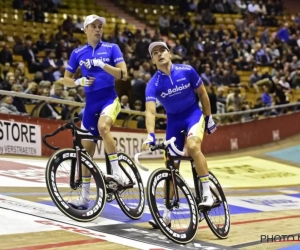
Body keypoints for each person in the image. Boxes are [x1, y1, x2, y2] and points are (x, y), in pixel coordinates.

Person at [142, 41, 216, 227]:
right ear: (152, 60)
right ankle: (166, 215)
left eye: (162, 50)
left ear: (170, 53)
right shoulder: (153, 84)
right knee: (171, 168)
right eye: (155, 53)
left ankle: (207, 194)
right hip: (173, 122)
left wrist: (208, 117)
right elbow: (150, 112)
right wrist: (150, 135)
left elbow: (203, 93)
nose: (159, 54)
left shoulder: (187, 70)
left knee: (192, 147)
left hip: (193, 115)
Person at [63, 14, 128, 209]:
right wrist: (78, 82)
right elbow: (65, 79)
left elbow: (123, 74)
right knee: (85, 153)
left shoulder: (111, 48)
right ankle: (84, 198)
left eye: (100, 26)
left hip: (109, 99)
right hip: (90, 104)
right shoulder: (77, 53)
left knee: (103, 128)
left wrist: (103, 65)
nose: (98, 29)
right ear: (85, 30)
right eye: (93, 26)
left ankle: (118, 174)